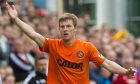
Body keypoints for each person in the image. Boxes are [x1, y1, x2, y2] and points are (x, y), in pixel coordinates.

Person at [4, 2, 136, 84]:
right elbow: (33, 34)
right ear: (59, 28)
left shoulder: (87, 47)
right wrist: (15, 19)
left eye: (68, 26)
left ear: (75, 29)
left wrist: (125, 72)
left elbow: (106, 63)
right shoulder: (53, 45)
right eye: (62, 26)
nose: (65, 29)